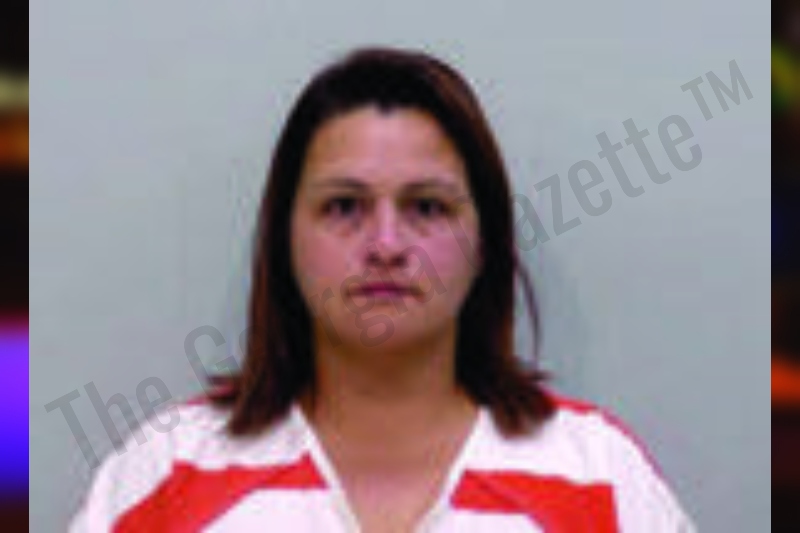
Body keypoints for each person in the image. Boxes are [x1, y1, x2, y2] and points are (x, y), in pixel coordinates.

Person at [70, 47, 696, 532]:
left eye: (427, 207)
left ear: (485, 242)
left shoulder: (600, 478)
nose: (387, 245)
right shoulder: (166, 473)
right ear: (285, 239)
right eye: (344, 206)